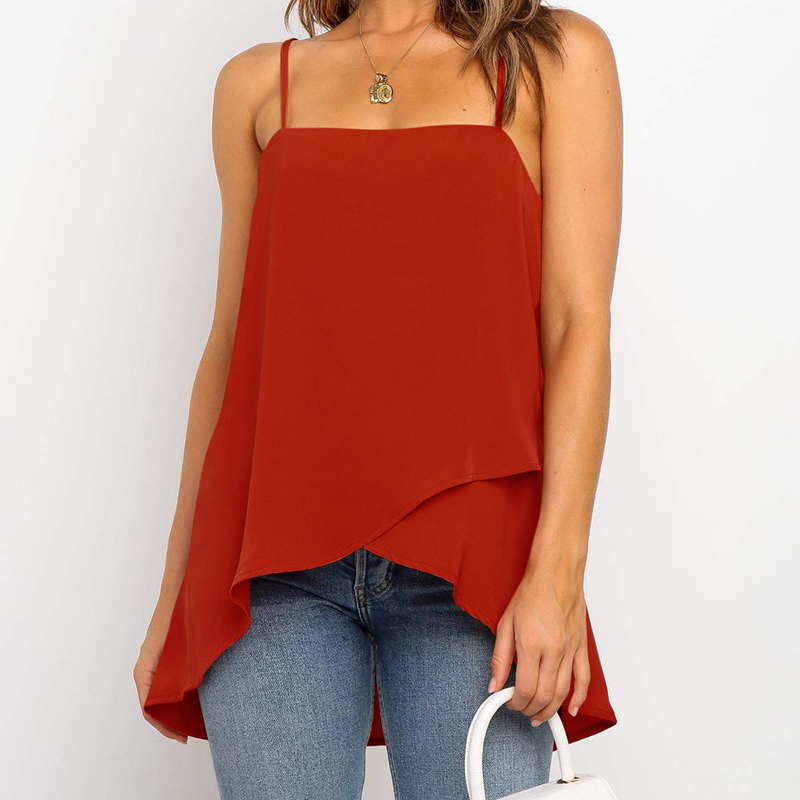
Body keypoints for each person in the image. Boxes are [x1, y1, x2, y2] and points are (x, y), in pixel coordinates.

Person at [133, 1, 622, 797]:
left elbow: (578, 324)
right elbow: (231, 350)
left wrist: (558, 573)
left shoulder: (551, 57)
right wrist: (174, 593)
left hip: (475, 572)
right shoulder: (258, 84)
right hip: (271, 575)